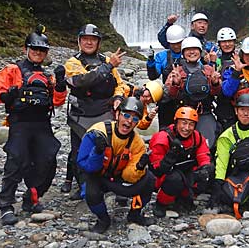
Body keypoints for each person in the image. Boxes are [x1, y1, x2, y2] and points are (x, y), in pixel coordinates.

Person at [0, 26, 67, 225]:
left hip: (42, 124)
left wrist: (60, 85)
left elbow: (57, 101)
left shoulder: (46, 76)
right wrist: (7, 95)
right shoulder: (12, 70)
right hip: (20, 124)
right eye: (34, 49)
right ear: (26, 49)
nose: (38, 53)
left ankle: (31, 198)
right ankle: (6, 204)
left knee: (48, 162)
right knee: (16, 162)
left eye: (41, 51)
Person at [63, 24, 130, 199]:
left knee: (110, 150)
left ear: (98, 42)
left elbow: (120, 85)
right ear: (79, 41)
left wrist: (118, 98)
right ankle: (84, 186)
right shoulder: (72, 62)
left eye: (93, 39)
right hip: (81, 116)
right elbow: (82, 81)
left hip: (105, 113)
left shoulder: (107, 62)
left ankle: (111, 184)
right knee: (80, 154)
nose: (89, 42)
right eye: (85, 39)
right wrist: (107, 67)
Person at [76, 97, 155, 233]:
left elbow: (129, 176)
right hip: (97, 175)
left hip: (117, 176)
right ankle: (103, 219)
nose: (129, 121)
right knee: (90, 192)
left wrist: (139, 167)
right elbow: (85, 165)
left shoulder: (137, 143)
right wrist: (98, 152)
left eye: (135, 119)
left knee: (149, 180)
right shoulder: (97, 132)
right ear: (117, 114)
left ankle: (134, 214)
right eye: (126, 115)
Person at [149, 106, 212, 217]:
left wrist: (205, 168)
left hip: (184, 171)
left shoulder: (197, 137)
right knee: (175, 179)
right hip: (164, 175)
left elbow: (203, 155)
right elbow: (156, 169)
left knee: (206, 172)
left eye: (191, 124)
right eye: (183, 123)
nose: (187, 128)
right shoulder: (162, 138)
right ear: (176, 122)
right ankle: (161, 203)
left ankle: (183, 196)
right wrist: (170, 156)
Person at [163, 36, 220, 148]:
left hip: (204, 113)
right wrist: (176, 83)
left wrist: (215, 83)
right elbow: (170, 95)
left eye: (195, 49)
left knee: (209, 145)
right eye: (188, 50)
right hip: (184, 113)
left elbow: (216, 93)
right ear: (183, 53)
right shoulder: (177, 71)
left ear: (200, 52)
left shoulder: (208, 70)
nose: (192, 52)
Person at [147, 24, 184, 127]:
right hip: (167, 100)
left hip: (185, 99)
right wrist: (151, 61)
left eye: (178, 43)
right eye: (173, 44)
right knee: (165, 131)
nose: (176, 46)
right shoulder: (162, 56)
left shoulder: (190, 53)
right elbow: (153, 76)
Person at [213, 27, 239, 131]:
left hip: (239, 101)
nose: (227, 44)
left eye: (230, 41)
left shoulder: (241, 58)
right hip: (222, 102)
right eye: (224, 42)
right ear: (219, 44)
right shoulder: (216, 60)